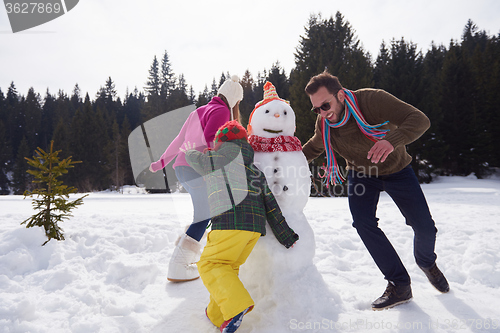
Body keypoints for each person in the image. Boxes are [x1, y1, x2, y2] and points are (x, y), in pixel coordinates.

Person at [302, 71, 449, 311]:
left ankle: (426, 262)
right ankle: (399, 284)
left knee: (424, 227)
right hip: (362, 174)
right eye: (316, 109)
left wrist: (392, 140)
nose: (322, 113)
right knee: (363, 223)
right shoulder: (325, 123)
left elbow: (419, 119)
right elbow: (315, 146)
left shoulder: (372, 101)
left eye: (325, 105)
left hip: (397, 170)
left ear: (340, 95)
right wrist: (283, 159)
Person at [184, 120, 299, 332]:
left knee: (210, 264)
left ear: (220, 143)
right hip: (253, 230)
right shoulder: (255, 170)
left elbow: (193, 158)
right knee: (227, 268)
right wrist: (286, 235)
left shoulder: (214, 159)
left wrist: (192, 150)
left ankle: (236, 307)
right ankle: (217, 315)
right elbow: (271, 205)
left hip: (229, 224)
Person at [149, 75, 243, 282]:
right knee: (204, 215)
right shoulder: (222, 111)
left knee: (206, 213)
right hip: (197, 168)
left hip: (182, 169)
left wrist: (160, 162)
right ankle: (178, 266)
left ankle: (188, 256)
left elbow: (178, 140)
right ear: (234, 99)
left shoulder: (198, 111)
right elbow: (212, 140)